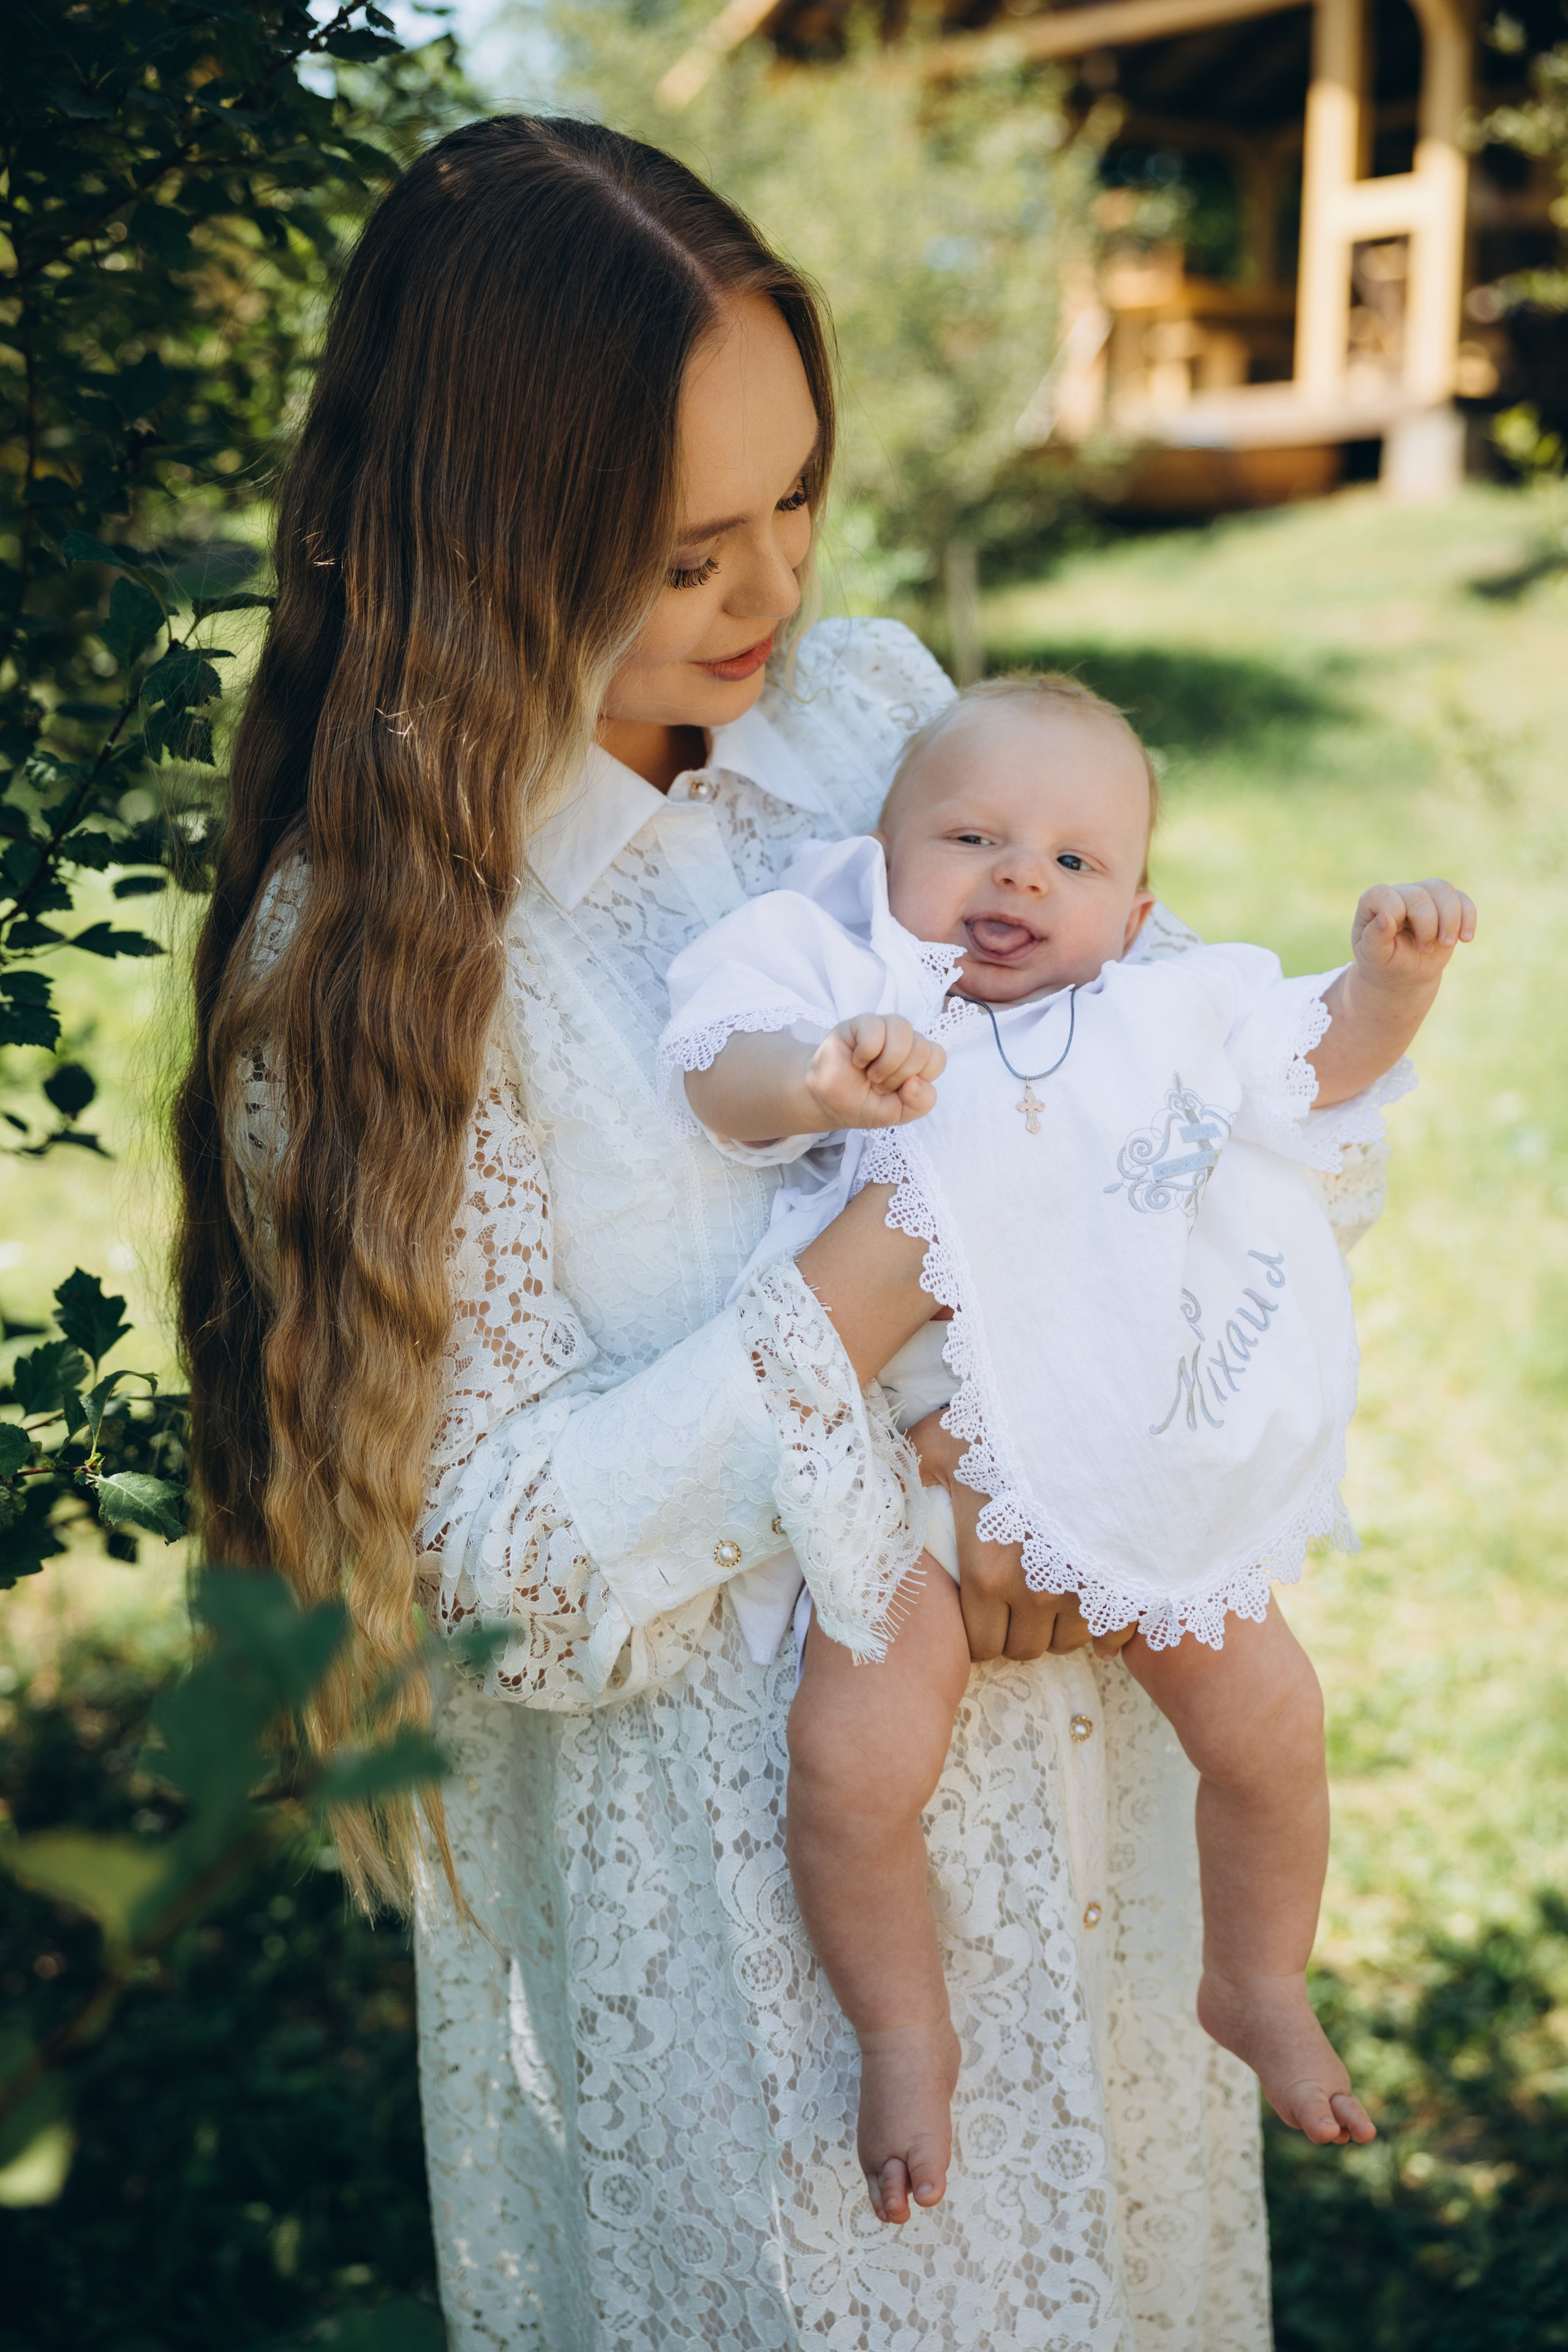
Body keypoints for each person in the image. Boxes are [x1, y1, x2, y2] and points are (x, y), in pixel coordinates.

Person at [174, 113, 1392, 2349]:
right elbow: (498, 1561)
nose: (773, 596)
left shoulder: (869, 713)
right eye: (683, 553)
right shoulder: (381, 958)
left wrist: (1089, 1457)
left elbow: (1171, 1072)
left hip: (1050, 1777)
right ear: (483, 544)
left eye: (800, 501)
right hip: (738, 1919)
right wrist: (896, 1271)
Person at [664, 672, 1475, 2220]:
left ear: (1135, 908)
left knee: (1267, 1719)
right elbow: (718, 1058)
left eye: (1073, 861)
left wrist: (1389, 985)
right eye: (972, 836)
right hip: (893, 1471)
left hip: (1112, 1439)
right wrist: (814, 1076)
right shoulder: (838, 958)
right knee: (848, 1763)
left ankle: (1254, 1976)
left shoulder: (1167, 1009)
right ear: (883, 851)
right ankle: (902, 2032)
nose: (1019, 876)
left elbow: (1318, 1066)